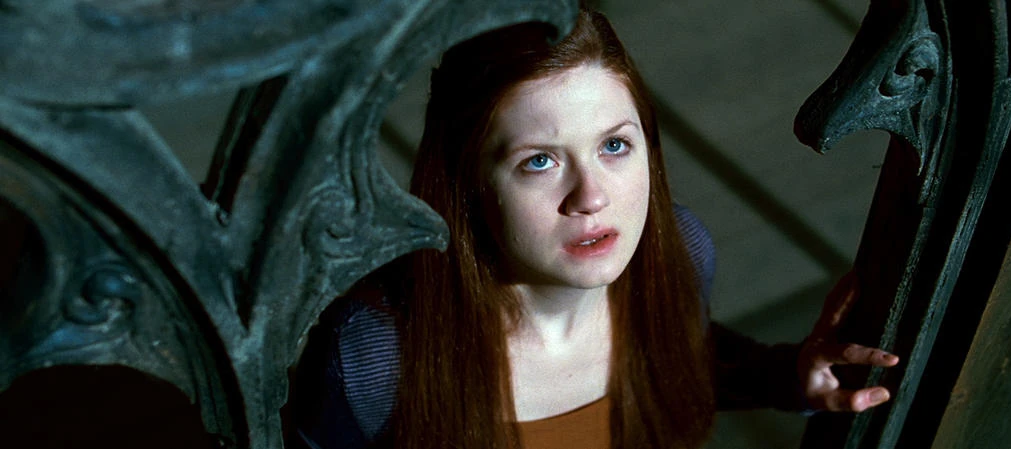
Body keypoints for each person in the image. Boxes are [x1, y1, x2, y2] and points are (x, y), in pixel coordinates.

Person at [295, 8, 898, 449]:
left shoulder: (681, 250)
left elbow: (683, 363)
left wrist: (789, 376)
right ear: (467, 185)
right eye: (540, 161)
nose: (592, 197)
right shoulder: (374, 356)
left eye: (614, 146)